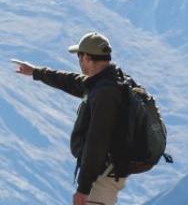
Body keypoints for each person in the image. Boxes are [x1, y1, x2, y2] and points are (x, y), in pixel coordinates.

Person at [15, 32, 129, 205]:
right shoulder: (104, 82)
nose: (78, 60)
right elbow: (71, 81)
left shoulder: (105, 93)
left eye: (79, 56)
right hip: (104, 173)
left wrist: (83, 189)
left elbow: (96, 142)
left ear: (88, 59)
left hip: (102, 176)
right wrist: (36, 72)